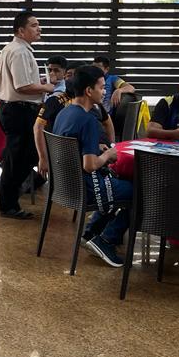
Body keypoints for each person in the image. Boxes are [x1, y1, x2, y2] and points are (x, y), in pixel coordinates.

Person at [52, 65, 131, 267]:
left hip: (66, 186)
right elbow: (89, 165)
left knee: (122, 184)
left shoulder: (65, 112)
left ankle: (90, 233)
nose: (105, 92)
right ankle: (106, 240)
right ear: (89, 90)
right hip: (87, 187)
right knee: (140, 192)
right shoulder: (88, 119)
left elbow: (74, 147)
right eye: (102, 88)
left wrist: (96, 148)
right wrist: (107, 155)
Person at [0, 12, 55, 219]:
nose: (39, 29)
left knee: (22, 157)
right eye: (34, 25)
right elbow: (22, 86)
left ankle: (13, 195)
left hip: (16, 109)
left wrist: (38, 83)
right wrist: (46, 87)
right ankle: (8, 204)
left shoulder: (14, 48)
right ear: (21, 30)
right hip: (19, 110)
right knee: (19, 158)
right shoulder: (19, 51)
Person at [34, 55, 68, 178]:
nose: (52, 73)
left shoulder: (62, 91)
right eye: (49, 70)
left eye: (56, 70)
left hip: (52, 133)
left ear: (65, 72)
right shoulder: (47, 86)